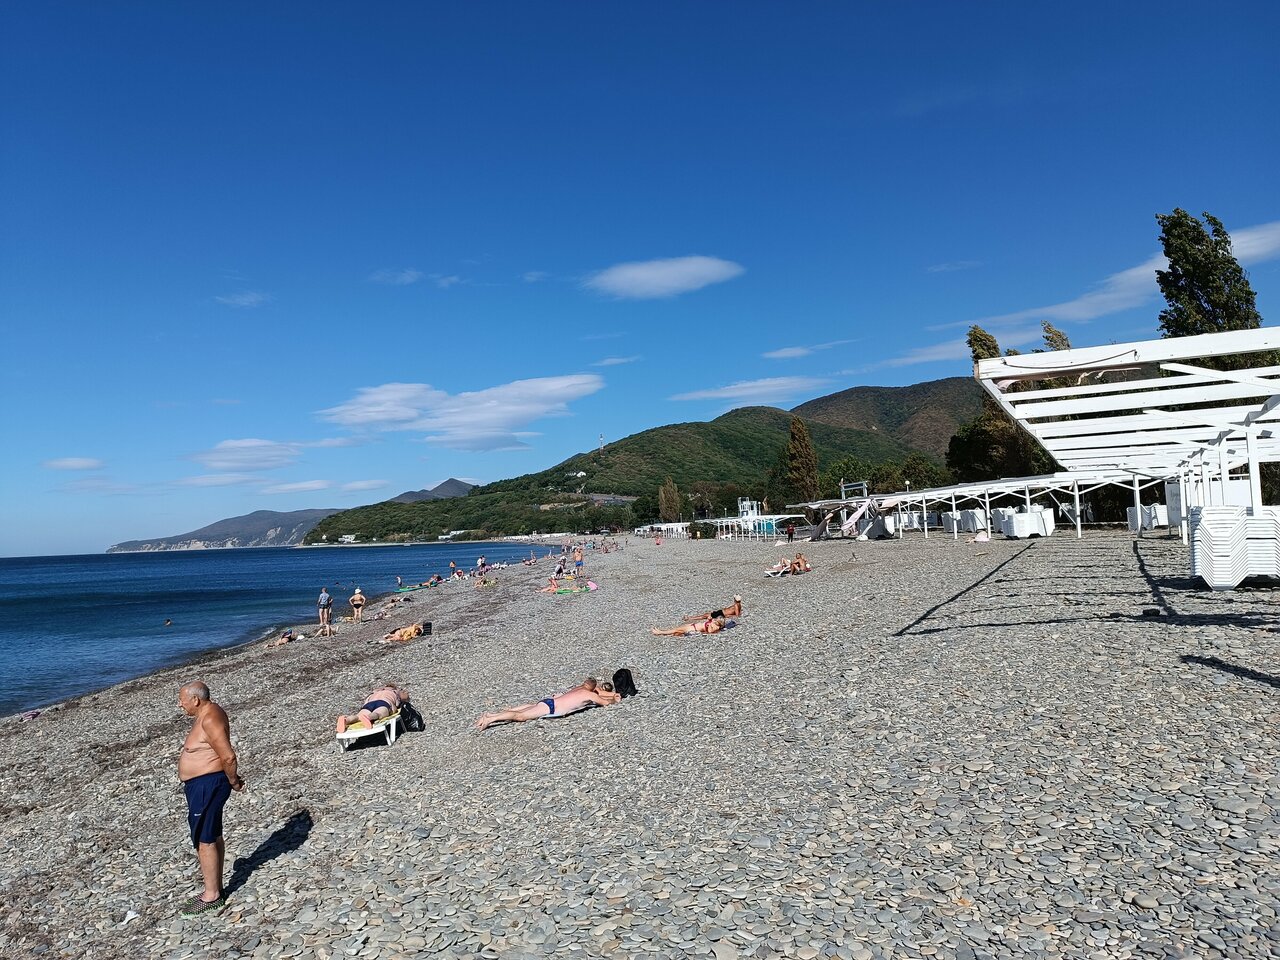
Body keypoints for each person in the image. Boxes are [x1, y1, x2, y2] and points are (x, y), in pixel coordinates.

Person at [177, 680, 244, 916]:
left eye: (182, 700)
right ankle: (215, 887)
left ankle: (212, 895)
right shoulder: (207, 713)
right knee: (212, 834)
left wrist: (233, 781)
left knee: (204, 839)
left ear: (195, 700)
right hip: (203, 784)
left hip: (208, 784)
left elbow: (228, 756)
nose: (180, 705)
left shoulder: (210, 719)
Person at [475, 678, 621, 731]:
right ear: (594, 688)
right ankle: (491, 719)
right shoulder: (589, 695)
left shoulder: (579, 689)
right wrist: (614, 699)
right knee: (520, 716)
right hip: (550, 708)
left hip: (548, 701)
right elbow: (604, 702)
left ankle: (491, 715)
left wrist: (604, 693)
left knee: (526, 708)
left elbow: (598, 693)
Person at [336, 684, 410, 732]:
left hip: (369, 703)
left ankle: (346, 720)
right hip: (384, 702)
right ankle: (369, 717)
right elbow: (405, 697)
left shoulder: (375, 692)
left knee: (358, 716)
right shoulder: (394, 691)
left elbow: (366, 701)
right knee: (378, 713)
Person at [651, 615, 726, 636]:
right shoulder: (714, 624)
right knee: (676, 630)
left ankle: (660, 632)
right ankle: (665, 633)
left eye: (716, 619)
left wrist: (710, 623)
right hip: (693, 626)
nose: (714, 619)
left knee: (675, 630)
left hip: (693, 628)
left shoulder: (715, 627)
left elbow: (709, 631)